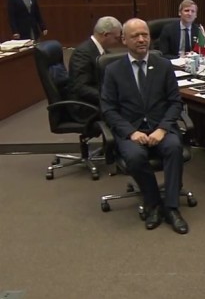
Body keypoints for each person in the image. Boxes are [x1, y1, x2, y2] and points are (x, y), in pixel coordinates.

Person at [100, 18, 189, 234]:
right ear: (124, 40)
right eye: (135, 36)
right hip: (131, 130)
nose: (141, 39)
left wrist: (163, 128)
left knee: (174, 147)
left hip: (161, 127)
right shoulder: (113, 70)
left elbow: (175, 102)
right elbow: (108, 109)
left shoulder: (163, 65)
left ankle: (172, 208)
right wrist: (131, 132)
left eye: (145, 35)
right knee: (135, 156)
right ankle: (153, 204)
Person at [67, 16, 123, 121]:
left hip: (98, 99)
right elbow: (81, 87)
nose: (118, 42)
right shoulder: (82, 53)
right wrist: (109, 97)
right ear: (106, 35)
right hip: (85, 106)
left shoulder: (105, 52)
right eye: (116, 38)